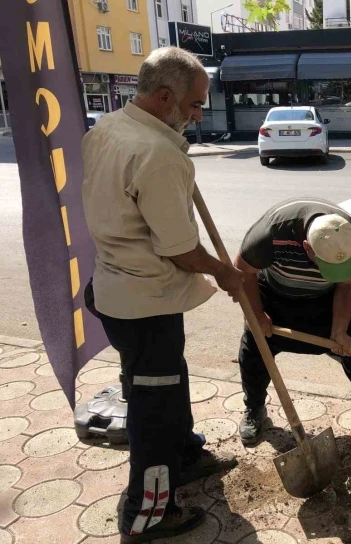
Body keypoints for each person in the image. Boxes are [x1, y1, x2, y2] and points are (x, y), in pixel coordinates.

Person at [81, 47, 244, 543]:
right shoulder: (155, 154)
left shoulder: (107, 128)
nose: (198, 117)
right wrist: (225, 274)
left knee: (165, 385)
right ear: (165, 96)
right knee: (152, 406)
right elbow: (179, 250)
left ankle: (184, 456)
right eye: (195, 106)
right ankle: (148, 512)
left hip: (119, 293)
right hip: (144, 304)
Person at [234, 199, 351, 445]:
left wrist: (339, 330)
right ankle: (255, 409)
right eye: (326, 265)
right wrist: (256, 315)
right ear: (306, 247)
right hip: (276, 294)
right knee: (254, 350)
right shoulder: (271, 233)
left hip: (326, 298)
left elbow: (349, 285)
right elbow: (243, 271)